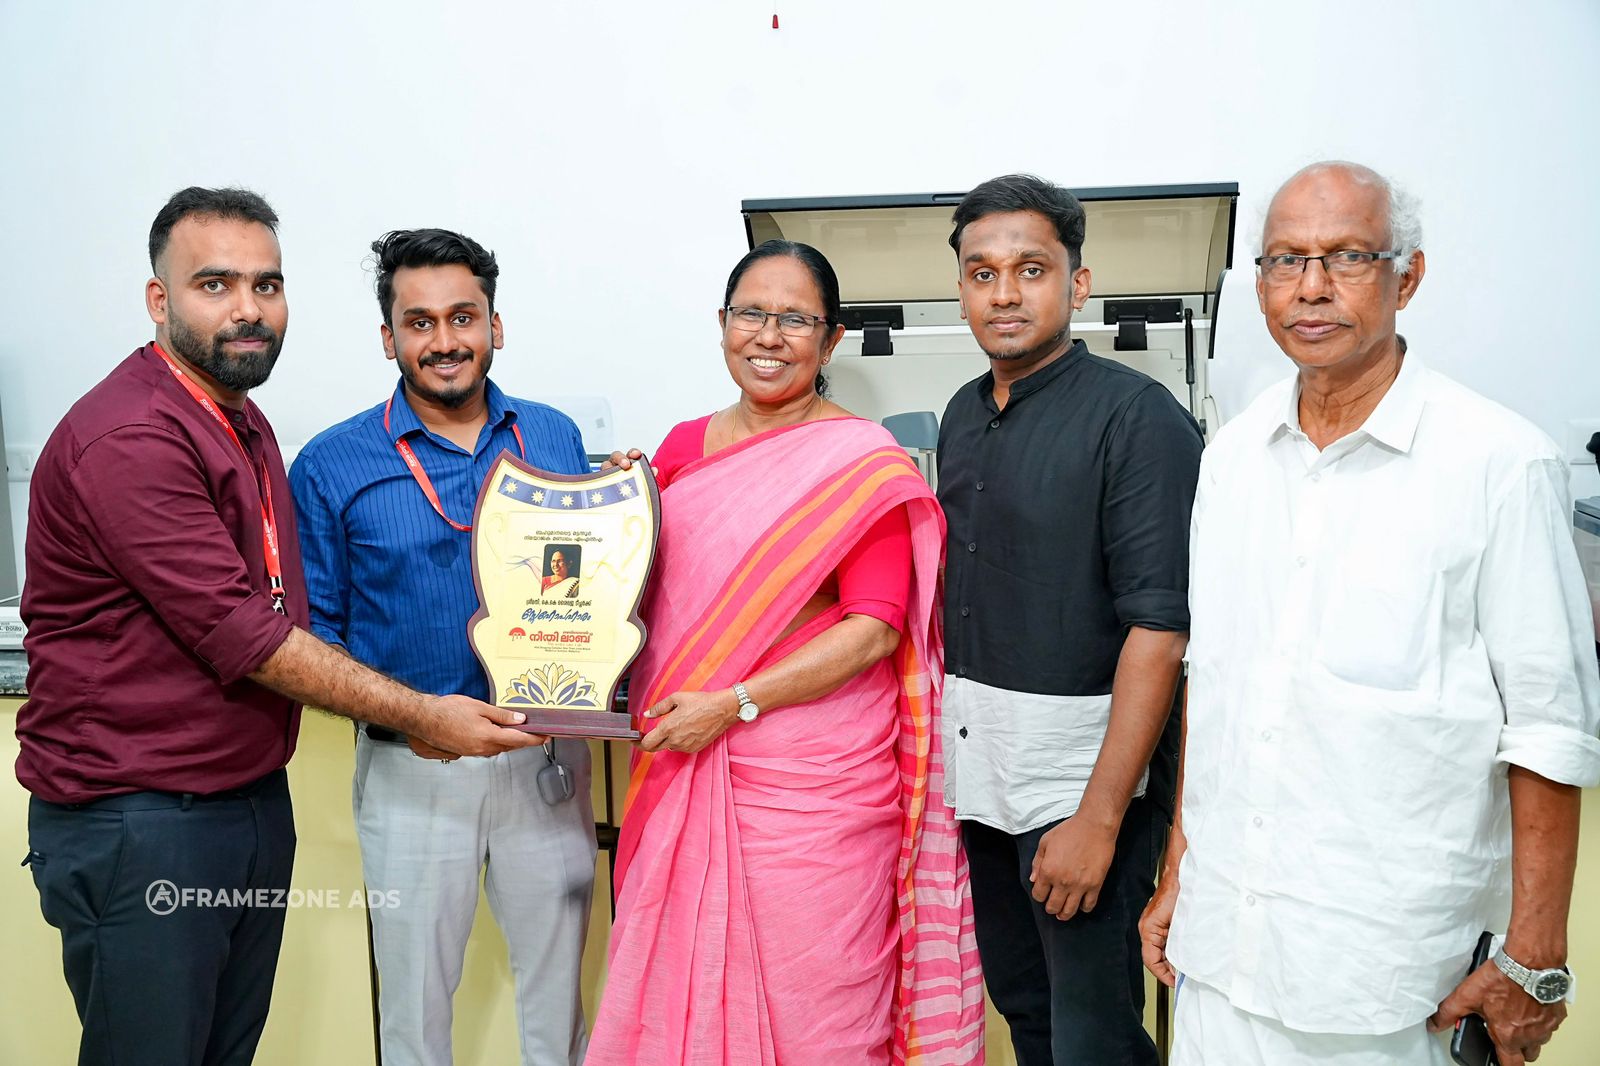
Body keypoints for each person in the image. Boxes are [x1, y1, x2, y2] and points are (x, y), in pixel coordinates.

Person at [17, 190, 542, 1066]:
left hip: (239, 801)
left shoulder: (234, 413)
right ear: (159, 300)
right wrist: (422, 713)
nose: (248, 308)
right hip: (143, 817)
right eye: (215, 284)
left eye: (267, 284)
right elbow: (246, 634)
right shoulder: (132, 435)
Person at [1139, 161, 1600, 1066]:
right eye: (1285, 260)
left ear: (1407, 277)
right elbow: (1219, 684)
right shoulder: (1231, 458)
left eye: (1347, 256)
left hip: (1392, 977)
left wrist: (1535, 957)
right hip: (1223, 954)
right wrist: (1182, 868)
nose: (1311, 287)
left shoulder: (1500, 464)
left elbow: (1550, 725)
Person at [587, 240, 985, 1064]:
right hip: (683, 758)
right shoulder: (680, 447)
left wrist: (733, 704)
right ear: (722, 324)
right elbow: (643, 594)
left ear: (830, 340)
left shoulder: (860, 462)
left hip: (814, 790)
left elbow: (874, 628)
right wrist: (617, 508)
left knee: (817, 1008)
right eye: (752, 314)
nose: (769, 337)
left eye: (796, 320)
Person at [289, 228, 597, 1066]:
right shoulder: (330, 463)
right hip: (412, 772)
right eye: (419, 322)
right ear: (388, 337)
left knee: (558, 1007)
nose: (445, 340)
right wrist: (416, 717)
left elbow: (594, 583)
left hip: (545, 759)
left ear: (496, 325)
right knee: (414, 1013)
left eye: (463, 317)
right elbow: (314, 635)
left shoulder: (554, 438)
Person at [937, 173, 1202, 1064]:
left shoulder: (1138, 418)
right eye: (983, 273)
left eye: (1031, 269)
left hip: (1082, 793)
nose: (1004, 293)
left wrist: (1097, 820)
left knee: (1095, 1037)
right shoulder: (963, 414)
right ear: (962, 289)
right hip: (982, 779)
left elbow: (1161, 630)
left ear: (1077, 284)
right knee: (1027, 1011)